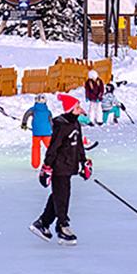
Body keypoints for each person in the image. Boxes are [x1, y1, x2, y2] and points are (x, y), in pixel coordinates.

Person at [29, 95, 90, 245]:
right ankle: (62, 226)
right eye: (76, 107)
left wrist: (84, 162)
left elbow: (79, 147)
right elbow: (53, 148)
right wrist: (47, 166)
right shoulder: (61, 126)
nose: (80, 110)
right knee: (62, 197)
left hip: (69, 166)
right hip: (59, 167)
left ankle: (43, 223)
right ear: (69, 109)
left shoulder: (75, 124)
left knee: (58, 195)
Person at [21, 94, 53, 169]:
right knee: (51, 147)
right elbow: (51, 122)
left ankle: (35, 164)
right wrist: (53, 130)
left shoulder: (33, 109)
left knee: (36, 147)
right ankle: (55, 161)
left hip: (36, 133)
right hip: (47, 133)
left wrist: (24, 123)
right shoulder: (48, 112)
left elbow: (26, 115)